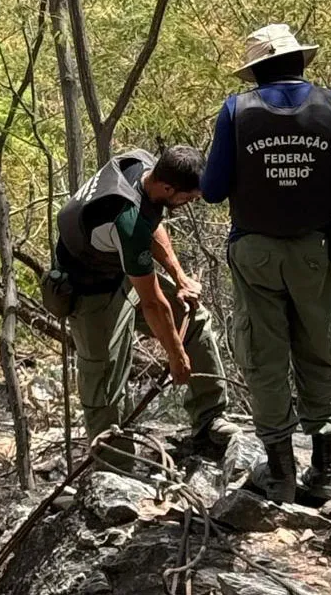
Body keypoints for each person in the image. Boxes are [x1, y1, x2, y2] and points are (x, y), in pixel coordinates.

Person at [201, 24, 331, 503]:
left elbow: (213, 190)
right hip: (313, 250)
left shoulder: (236, 111)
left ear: (256, 70)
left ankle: (280, 474)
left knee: (264, 355)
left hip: (254, 251)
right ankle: (324, 472)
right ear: (300, 62)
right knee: (319, 347)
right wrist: (323, 208)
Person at [56, 147, 240, 470]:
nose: (191, 202)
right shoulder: (125, 219)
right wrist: (176, 355)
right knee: (104, 385)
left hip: (120, 269)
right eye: (190, 197)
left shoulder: (145, 166)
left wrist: (180, 277)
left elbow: (152, 223)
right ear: (169, 189)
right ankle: (114, 472)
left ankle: (209, 419)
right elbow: (154, 304)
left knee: (192, 317)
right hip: (91, 294)